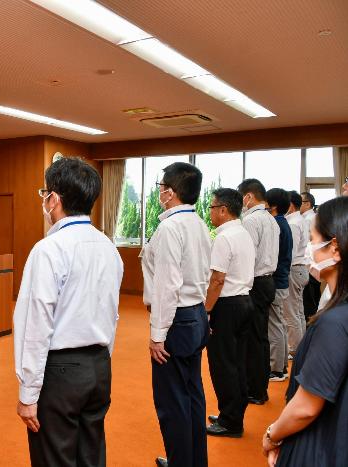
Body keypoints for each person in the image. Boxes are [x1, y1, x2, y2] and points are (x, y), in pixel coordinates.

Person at [13, 157, 123, 467]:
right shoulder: (108, 247)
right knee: (90, 455)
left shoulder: (49, 249)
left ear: (54, 200)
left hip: (61, 372)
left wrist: (28, 391)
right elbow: (112, 314)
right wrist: (101, 361)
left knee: (55, 458)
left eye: (44, 194)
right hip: (99, 367)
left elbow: (35, 324)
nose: (43, 201)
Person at [261, 196, 348, 467]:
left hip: (320, 447)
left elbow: (307, 407)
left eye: (312, 239)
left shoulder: (335, 322)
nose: (309, 248)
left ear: (334, 247)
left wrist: (272, 435)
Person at [141, 162, 210, 467]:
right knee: (193, 393)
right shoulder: (198, 223)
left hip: (176, 320)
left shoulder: (170, 227)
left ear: (169, 192)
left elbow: (168, 286)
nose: (159, 193)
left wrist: (157, 335)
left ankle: (180, 461)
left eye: (160, 187)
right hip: (195, 315)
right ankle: (194, 460)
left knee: (172, 402)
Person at [204, 189, 255, 438]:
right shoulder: (243, 233)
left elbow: (217, 279)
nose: (210, 212)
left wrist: (206, 310)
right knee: (238, 362)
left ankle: (230, 421)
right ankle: (233, 413)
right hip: (245, 301)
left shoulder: (224, 238)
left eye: (212, 207)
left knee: (223, 364)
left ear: (223, 209)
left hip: (227, 306)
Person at [238, 179, 279, 405]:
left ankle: (255, 390)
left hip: (255, 282)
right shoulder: (271, 220)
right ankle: (259, 387)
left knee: (252, 339)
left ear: (248, 197)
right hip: (268, 281)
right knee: (260, 337)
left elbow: (248, 256)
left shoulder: (251, 220)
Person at [266, 188, 293, 383]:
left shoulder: (276, 225)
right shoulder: (283, 223)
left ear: (273, 205)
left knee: (274, 325)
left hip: (276, 281)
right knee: (280, 324)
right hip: (282, 280)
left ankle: (276, 369)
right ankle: (280, 365)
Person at [284, 191, 310, 358]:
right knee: (298, 312)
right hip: (301, 268)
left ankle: (295, 348)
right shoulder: (301, 220)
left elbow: (290, 252)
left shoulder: (293, 223)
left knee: (291, 313)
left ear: (291, 205)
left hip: (294, 268)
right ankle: (300, 346)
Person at [300, 192, 321, 321]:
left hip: (310, 263)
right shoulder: (311, 217)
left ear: (307, 204)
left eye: (300, 201)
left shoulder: (308, 219)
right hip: (312, 263)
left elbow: (306, 242)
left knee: (309, 301)